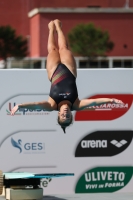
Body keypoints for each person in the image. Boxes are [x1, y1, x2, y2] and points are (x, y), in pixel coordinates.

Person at [10, 19, 123, 133]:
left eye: (63, 117)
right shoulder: (77, 104)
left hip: (54, 72)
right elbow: (94, 102)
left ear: (59, 114)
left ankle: (51, 29)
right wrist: (111, 100)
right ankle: (58, 28)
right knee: (64, 48)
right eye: (68, 117)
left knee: (52, 50)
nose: (65, 114)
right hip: (70, 70)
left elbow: (36, 105)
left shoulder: (52, 105)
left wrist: (20, 106)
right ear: (71, 115)